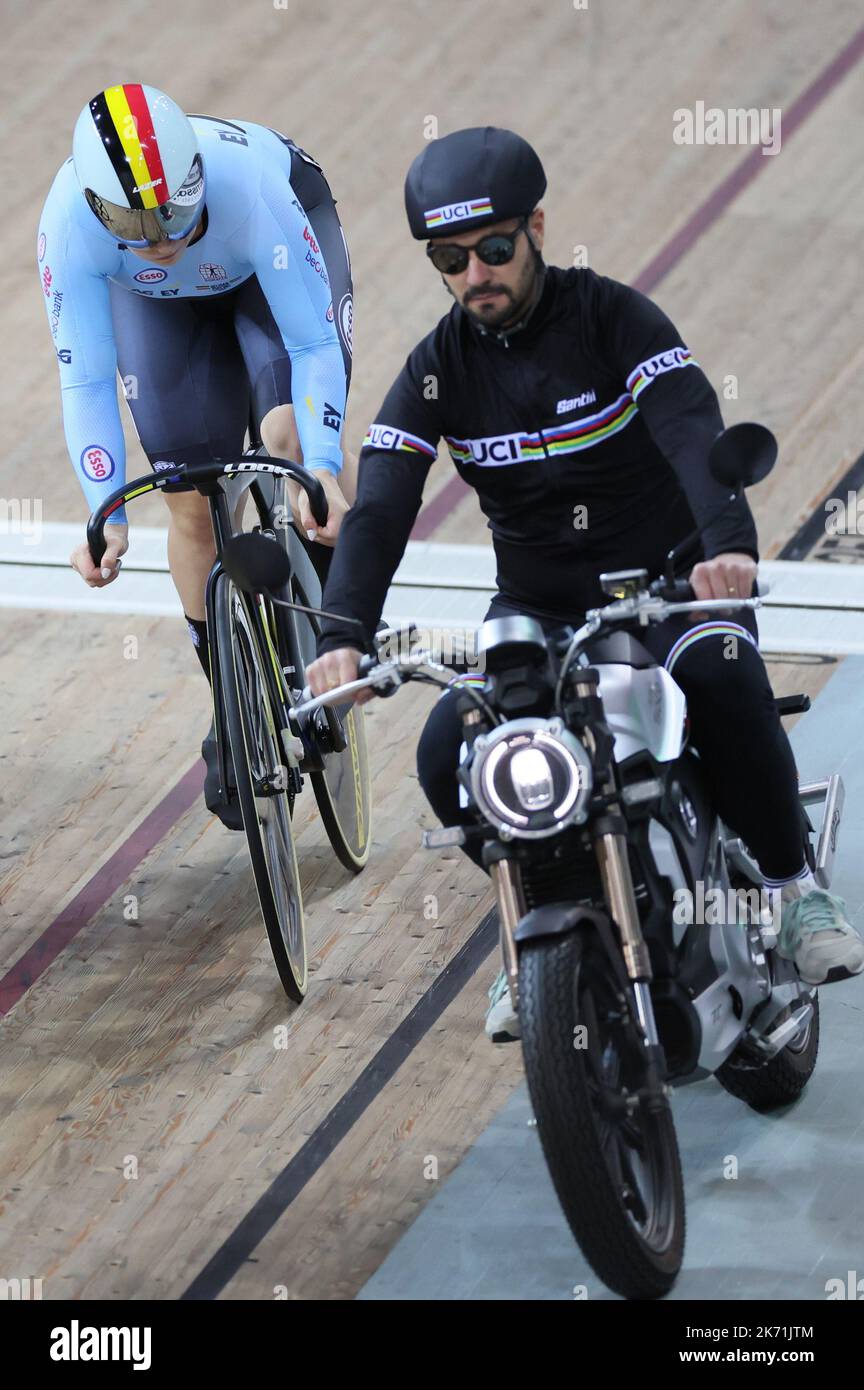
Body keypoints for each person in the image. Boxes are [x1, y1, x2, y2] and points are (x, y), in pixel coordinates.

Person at [306, 126, 864, 1039]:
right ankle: (534, 928)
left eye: (493, 248)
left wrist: (727, 548)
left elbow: (691, 428)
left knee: (723, 673)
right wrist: (340, 636)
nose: (475, 273)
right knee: (448, 752)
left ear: (536, 227)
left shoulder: (616, 320)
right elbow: (378, 512)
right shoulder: (436, 374)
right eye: (451, 258)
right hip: (541, 611)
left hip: (671, 580)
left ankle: (793, 886)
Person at [38, 83, 355, 828]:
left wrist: (325, 465)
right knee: (188, 498)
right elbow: (84, 377)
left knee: (288, 441)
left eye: (171, 212)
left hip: (265, 259)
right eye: (130, 221)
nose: (157, 236)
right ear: (95, 209)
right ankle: (235, 704)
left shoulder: (249, 191)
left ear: (194, 181)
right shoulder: (69, 224)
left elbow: (312, 343)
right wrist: (104, 514)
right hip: (156, 304)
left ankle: (336, 618)